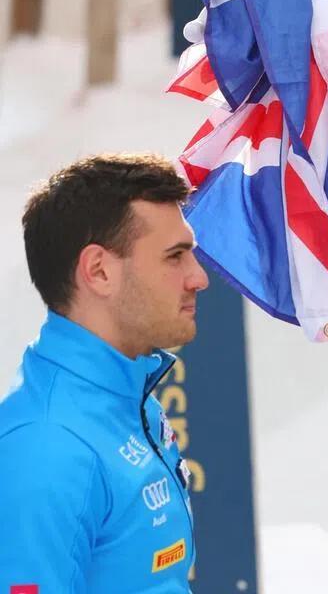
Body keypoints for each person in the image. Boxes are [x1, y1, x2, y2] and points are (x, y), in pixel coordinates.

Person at [0, 153, 208, 592]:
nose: (198, 277)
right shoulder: (48, 444)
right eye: (175, 257)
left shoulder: (126, 390)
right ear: (98, 271)